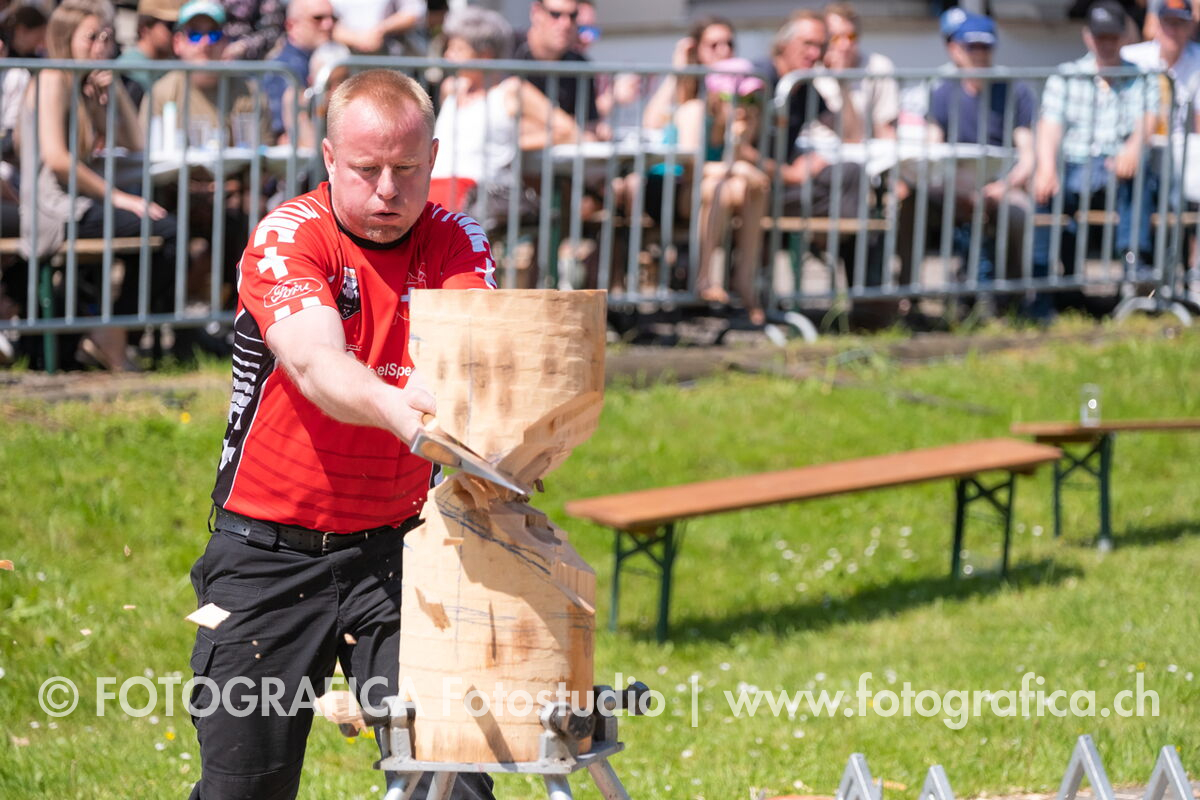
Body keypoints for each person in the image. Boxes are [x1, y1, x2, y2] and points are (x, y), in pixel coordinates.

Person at [191, 68, 498, 800]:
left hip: (400, 550)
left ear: (433, 158)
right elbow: (316, 364)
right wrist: (402, 411)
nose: (388, 191)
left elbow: (476, 350)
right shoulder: (289, 236)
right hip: (266, 554)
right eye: (366, 170)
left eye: (408, 169)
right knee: (245, 790)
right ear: (329, 158)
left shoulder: (456, 238)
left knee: (451, 780)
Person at [18, 0, 179, 369]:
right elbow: (58, 160)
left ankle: (112, 332)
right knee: (167, 230)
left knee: (166, 230)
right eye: (91, 38)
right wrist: (120, 199)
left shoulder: (83, 84)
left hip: (80, 203)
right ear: (65, 39)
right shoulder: (53, 78)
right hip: (54, 208)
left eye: (106, 38)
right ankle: (112, 333)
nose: (101, 47)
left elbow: (136, 142)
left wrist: (115, 89)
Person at [897, 13, 1037, 296]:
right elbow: (933, 152)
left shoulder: (1015, 91)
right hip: (953, 187)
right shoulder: (942, 92)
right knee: (910, 205)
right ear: (956, 50)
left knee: (1018, 214)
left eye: (985, 47)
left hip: (1000, 187)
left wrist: (1001, 188)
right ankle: (907, 293)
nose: (979, 54)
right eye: (972, 47)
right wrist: (954, 189)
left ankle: (1013, 298)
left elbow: (1028, 157)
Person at [1033, 0, 1160, 304]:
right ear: (1087, 36)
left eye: (1112, 36)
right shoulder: (1066, 75)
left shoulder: (1143, 77)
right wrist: (1046, 168)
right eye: (1100, 36)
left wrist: (1133, 148)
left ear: (1124, 37)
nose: (1106, 43)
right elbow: (1050, 126)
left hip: (1117, 168)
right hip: (1074, 165)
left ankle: (1134, 267)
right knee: (1045, 194)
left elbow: (1148, 119)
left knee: (1138, 176)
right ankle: (1042, 286)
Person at [429, 6, 577, 232]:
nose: (448, 55)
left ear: (485, 55)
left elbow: (567, 130)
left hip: (478, 193)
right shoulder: (451, 88)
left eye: (458, 49)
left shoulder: (511, 90)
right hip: (436, 187)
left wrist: (515, 143)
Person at [674, 57, 770, 324]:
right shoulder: (694, 112)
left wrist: (738, 143)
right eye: (734, 97)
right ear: (715, 95)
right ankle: (704, 276)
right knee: (719, 186)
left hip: (719, 191)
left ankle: (744, 277)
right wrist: (738, 167)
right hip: (674, 191)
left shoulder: (743, 119)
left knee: (750, 186)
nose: (743, 105)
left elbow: (742, 171)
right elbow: (691, 169)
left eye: (749, 98)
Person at [813, 2, 900, 140]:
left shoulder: (878, 67)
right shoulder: (810, 67)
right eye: (835, 37)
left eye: (851, 37)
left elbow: (885, 130)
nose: (845, 45)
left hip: (857, 149)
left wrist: (842, 80)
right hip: (813, 147)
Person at [641, 15, 737, 132]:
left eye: (729, 44)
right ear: (697, 48)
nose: (724, 50)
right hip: (684, 141)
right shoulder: (688, 80)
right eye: (714, 45)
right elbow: (651, 122)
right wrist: (677, 71)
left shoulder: (742, 80)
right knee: (693, 110)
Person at [514, 0, 598, 128]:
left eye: (573, 16)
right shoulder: (507, 48)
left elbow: (588, 127)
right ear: (536, 12)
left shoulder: (580, 65)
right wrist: (566, 128)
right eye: (555, 14)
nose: (566, 24)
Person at [1121, 0, 1200, 135]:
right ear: (1157, 24)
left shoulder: (1197, 60)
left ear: (1190, 26)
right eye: (1168, 22)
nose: (1173, 30)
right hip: (1137, 138)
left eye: (1180, 23)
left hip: (1179, 142)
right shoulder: (1131, 57)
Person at [262, 0, 336, 141]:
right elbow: (283, 138)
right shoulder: (284, 68)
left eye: (333, 18)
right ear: (291, 25)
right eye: (318, 18)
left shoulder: (320, 60)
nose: (328, 24)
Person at [114, 0, 180, 106]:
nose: (176, 33)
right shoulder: (126, 72)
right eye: (170, 26)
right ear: (145, 27)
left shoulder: (171, 68)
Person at [332, 0, 426, 56]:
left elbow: (414, 13)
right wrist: (356, 39)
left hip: (392, 56)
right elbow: (328, 17)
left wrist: (380, 30)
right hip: (345, 57)